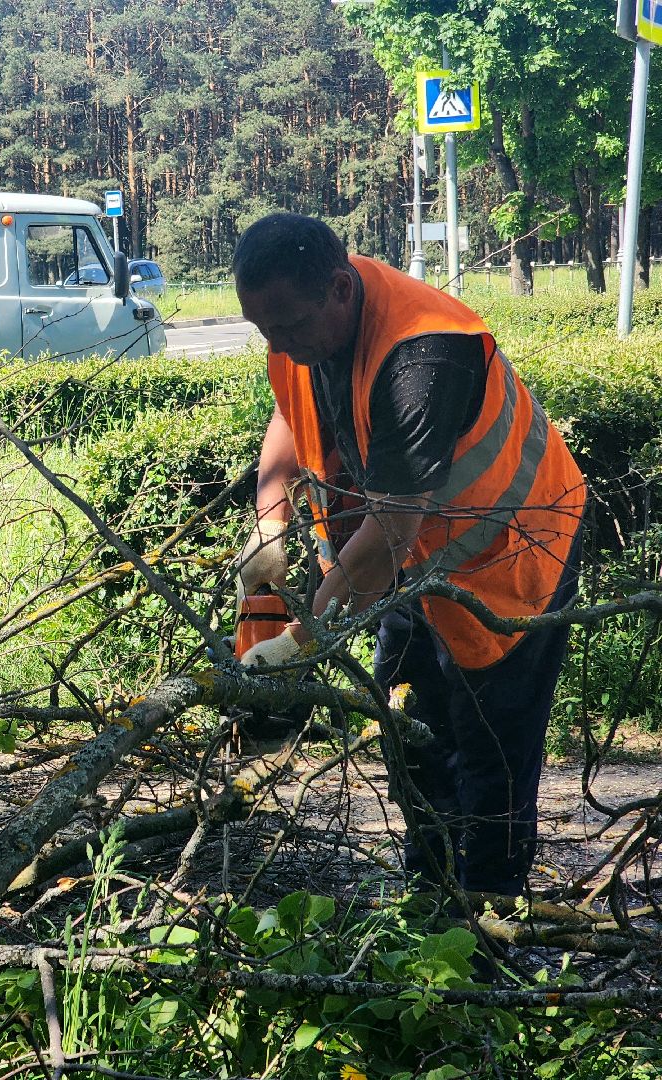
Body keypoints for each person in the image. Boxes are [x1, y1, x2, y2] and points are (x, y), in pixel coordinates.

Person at [231, 213, 587, 897]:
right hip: (419, 568)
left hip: (514, 564)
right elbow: (290, 403)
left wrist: (301, 639)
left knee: (492, 761)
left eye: (288, 330)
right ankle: (432, 901)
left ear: (339, 289)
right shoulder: (306, 319)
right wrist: (270, 522)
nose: (279, 345)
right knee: (409, 730)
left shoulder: (421, 355)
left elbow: (391, 532)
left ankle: (487, 935)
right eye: (264, 331)